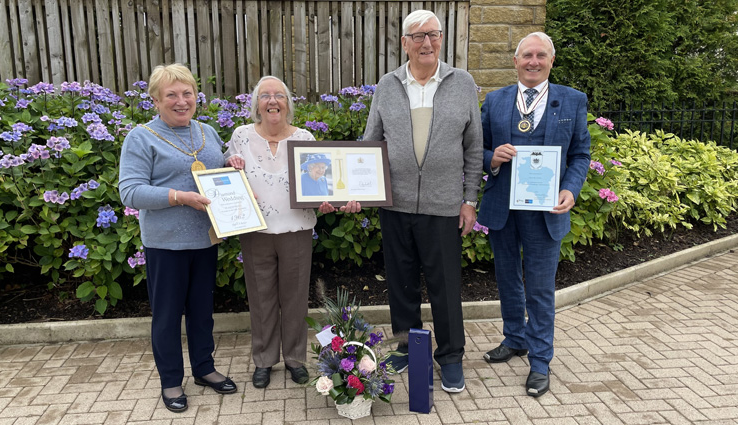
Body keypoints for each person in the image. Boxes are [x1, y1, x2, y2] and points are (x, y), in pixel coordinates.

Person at [363, 10, 483, 393]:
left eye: (433, 34)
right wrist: (356, 190)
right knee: (400, 284)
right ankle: (405, 349)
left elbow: (474, 147)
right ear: (404, 43)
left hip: (444, 205)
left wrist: (469, 200)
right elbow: (370, 143)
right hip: (395, 205)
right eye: (418, 36)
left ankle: (450, 357)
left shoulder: (462, 83)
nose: (426, 43)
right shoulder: (387, 84)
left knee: (445, 286)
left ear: (442, 39)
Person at [224, 76, 360, 389]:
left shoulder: (304, 138)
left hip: (297, 229)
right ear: (256, 104)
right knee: (261, 298)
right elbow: (227, 169)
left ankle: (295, 359)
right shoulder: (241, 135)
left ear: (288, 103)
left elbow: (319, 185)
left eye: (279, 96)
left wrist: (330, 203)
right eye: (265, 96)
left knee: (296, 297)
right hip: (255, 229)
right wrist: (228, 161)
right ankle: (264, 360)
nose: (272, 101)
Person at [477, 32, 591, 397]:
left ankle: (540, 361)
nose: (533, 61)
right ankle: (515, 339)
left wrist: (570, 190)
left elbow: (580, 155)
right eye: (526, 55)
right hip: (503, 208)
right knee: (507, 278)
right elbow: (475, 148)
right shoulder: (494, 101)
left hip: (545, 210)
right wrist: (490, 158)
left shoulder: (572, 101)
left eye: (541, 55)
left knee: (540, 289)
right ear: (515, 61)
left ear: (551, 61)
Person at [118, 63, 237, 413]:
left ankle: (204, 369)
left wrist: (234, 162)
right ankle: (171, 380)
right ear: (156, 99)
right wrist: (178, 197)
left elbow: (220, 168)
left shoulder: (207, 132)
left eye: (187, 93)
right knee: (167, 316)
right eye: (172, 95)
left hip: (206, 240)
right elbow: (130, 191)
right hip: (165, 244)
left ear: (196, 97)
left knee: (202, 312)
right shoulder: (141, 137)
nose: (181, 101)